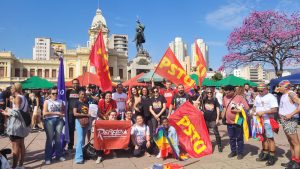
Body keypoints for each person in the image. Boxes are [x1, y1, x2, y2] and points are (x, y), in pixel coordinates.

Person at [1, 83, 30, 169]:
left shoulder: (17, 98)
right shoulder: (24, 97)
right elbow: (26, 110)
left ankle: (14, 166)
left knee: (15, 146)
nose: (11, 91)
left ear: (14, 89)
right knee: (21, 144)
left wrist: (6, 112)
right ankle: (20, 164)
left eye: (11, 89)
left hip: (16, 125)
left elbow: (16, 113)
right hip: (22, 124)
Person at [251, 83, 278, 166]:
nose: (259, 92)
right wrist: (253, 111)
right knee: (263, 138)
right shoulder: (258, 96)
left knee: (270, 138)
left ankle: (272, 157)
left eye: (261, 90)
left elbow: (275, 110)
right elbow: (255, 107)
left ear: (266, 89)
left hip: (268, 121)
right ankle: (265, 154)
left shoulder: (271, 97)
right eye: (258, 90)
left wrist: (263, 112)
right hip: (259, 121)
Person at [277, 80, 300, 169]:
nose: (279, 88)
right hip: (285, 121)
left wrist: (291, 114)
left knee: (296, 143)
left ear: (286, 87)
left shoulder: (291, 94)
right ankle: (293, 161)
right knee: (291, 142)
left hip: (290, 121)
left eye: (280, 87)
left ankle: (297, 163)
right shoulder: (284, 95)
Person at [222, 85, 249, 160]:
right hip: (229, 122)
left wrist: (237, 110)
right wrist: (222, 115)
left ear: (232, 91)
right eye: (225, 93)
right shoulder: (225, 97)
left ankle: (240, 153)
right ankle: (233, 151)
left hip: (238, 121)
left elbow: (246, 108)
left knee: (239, 138)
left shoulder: (240, 97)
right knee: (231, 138)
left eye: (228, 93)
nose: (226, 94)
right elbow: (224, 107)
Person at [42, 86, 66, 165]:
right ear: (50, 94)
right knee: (49, 139)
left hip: (59, 120)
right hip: (49, 121)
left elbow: (63, 111)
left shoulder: (60, 101)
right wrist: (56, 113)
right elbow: (44, 113)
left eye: (56, 93)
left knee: (58, 139)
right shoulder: (47, 101)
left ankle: (58, 155)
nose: (55, 95)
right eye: (53, 93)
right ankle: (48, 157)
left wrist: (62, 114)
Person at [202, 88, 222, 152]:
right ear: (206, 93)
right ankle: (207, 145)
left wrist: (217, 118)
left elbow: (217, 108)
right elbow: (199, 105)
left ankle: (219, 145)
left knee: (216, 132)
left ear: (212, 93)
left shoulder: (215, 100)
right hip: (205, 119)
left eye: (210, 92)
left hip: (213, 119)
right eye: (208, 93)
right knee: (206, 133)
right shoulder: (204, 100)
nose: (209, 94)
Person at [74, 90, 91, 164]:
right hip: (79, 122)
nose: (83, 95)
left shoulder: (87, 103)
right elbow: (75, 114)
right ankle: (78, 158)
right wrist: (86, 115)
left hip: (85, 122)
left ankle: (83, 155)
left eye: (84, 94)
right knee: (80, 140)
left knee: (83, 140)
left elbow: (89, 113)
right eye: (82, 94)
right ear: (79, 95)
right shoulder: (76, 102)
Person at [66, 79, 80, 152]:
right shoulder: (68, 92)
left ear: (79, 84)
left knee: (80, 130)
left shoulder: (81, 91)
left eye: (77, 83)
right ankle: (70, 146)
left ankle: (80, 146)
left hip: (79, 113)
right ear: (72, 84)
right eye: (74, 83)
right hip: (70, 113)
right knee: (71, 130)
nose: (75, 84)